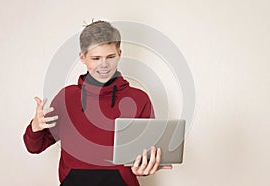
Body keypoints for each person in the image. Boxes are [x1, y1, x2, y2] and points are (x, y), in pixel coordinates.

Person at [23, 20, 172, 186]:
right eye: (96, 58)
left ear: (119, 54)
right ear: (82, 57)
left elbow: (146, 155)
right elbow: (34, 147)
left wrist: (145, 166)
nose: (104, 65)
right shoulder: (67, 97)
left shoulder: (139, 99)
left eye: (110, 57)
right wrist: (35, 127)